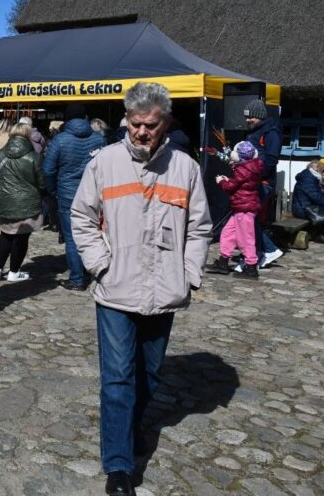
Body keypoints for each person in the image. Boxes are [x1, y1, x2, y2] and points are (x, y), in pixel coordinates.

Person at [71, 82, 211, 496]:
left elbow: (201, 227)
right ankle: (119, 467)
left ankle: (125, 430)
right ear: (126, 121)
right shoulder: (105, 163)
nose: (141, 133)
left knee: (148, 374)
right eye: (135, 125)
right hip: (116, 288)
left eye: (150, 125)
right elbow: (81, 216)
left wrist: (188, 273)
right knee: (117, 377)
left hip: (164, 289)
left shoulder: (185, 168)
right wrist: (100, 263)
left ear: (164, 122)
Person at [43, 102, 107, 291]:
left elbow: (47, 169)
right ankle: (94, 269)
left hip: (68, 193)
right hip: (94, 193)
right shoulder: (99, 139)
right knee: (95, 233)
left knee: (72, 237)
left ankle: (77, 278)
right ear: (86, 117)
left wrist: (52, 190)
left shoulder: (60, 140)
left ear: (67, 119)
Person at [0, 123, 45, 282]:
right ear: (28, 135)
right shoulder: (34, 157)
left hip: (5, 200)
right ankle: (14, 271)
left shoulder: (0, 154)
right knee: (21, 238)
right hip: (27, 202)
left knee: (5, 235)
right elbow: (41, 182)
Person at [207, 140, 262, 278]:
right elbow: (238, 184)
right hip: (241, 206)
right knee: (228, 233)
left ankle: (251, 267)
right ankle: (223, 261)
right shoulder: (249, 168)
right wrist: (228, 179)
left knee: (245, 238)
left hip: (244, 208)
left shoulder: (244, 169)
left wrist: (222, 181)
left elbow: (230, 187)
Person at [243, 99, 285, 267]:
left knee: (248, 218)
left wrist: (255, 176)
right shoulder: (255, 131)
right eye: (246, 117)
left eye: (251, 117)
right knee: (247, 218)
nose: (247, 120)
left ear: (259, 116)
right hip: (253, 180)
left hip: (263, 182)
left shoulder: (271, 132)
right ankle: (257, 252)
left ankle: (269, 249)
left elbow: (270, 160)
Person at [291, 160, 324, 244]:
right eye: (323, 170)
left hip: (308, 206)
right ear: (317, 170)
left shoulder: (311, 177)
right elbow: (316, 197)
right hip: (302, 209)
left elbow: (318, 195)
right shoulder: (307, 179)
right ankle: (322, 236)